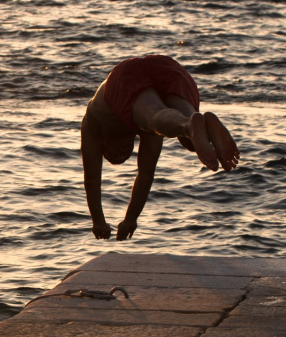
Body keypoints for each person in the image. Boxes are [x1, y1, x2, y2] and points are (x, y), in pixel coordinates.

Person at [80, 55, 239, 241]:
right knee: (187, 137)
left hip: (125, 77)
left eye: (112, 155)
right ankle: (200, 125)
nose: (121, 155)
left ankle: (190, 125)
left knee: (156, 116)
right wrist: (131, 218)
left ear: (103, 143)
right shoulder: (145, 130)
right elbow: (146, 174)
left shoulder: (93, 124)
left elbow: (91, 178)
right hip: (168, 66)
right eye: (124, 157)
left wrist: (98, 220)